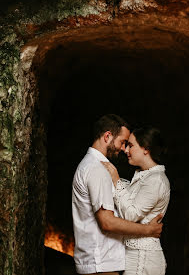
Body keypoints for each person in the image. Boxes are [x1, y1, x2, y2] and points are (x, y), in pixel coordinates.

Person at [72, 114, 163, 275]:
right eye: (122, 142)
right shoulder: (96, 169)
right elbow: (107, 222)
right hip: (100, 264)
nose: (123, 149)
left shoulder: (95, 166)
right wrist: (148, 230)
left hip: (100, 262)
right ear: (107, 136)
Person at [101, 126, 170, 275]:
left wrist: (116, 180)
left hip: (143, 258)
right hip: (134, 254)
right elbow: (128, 199)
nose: (125, 150)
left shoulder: (156, 180)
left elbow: (131, 215)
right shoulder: (143, 175)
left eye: (130, 145)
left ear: (146, 149)